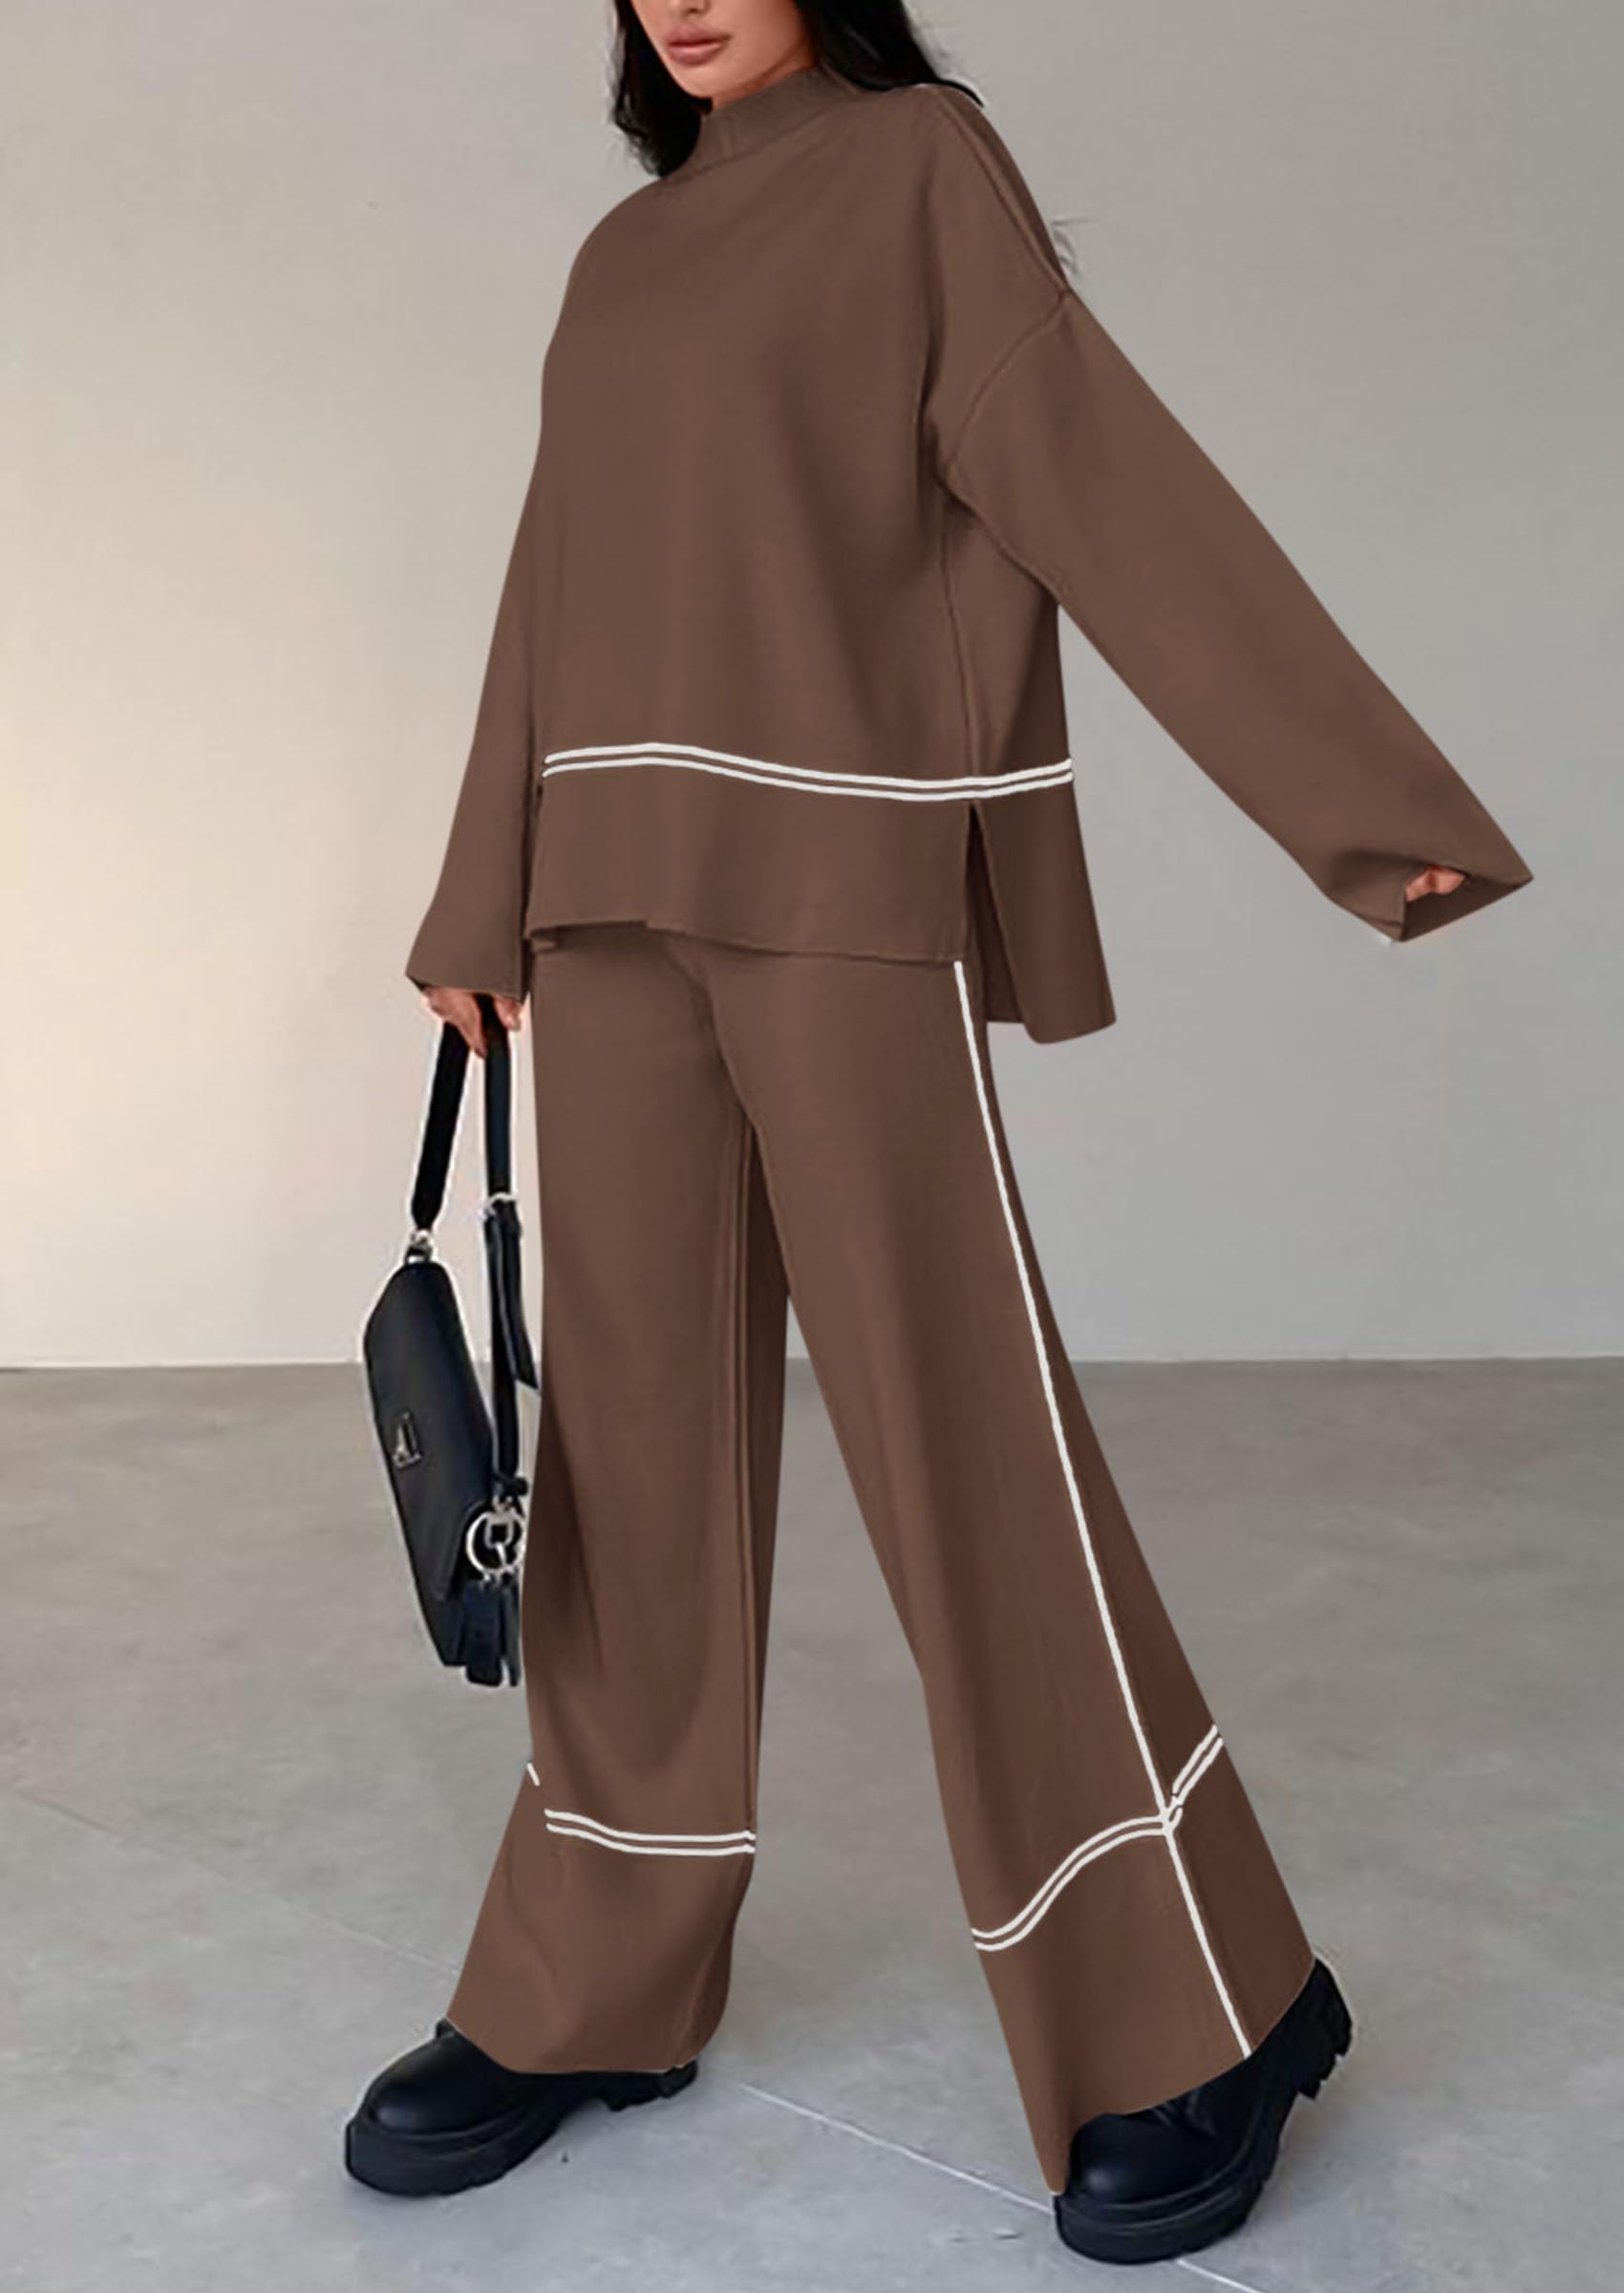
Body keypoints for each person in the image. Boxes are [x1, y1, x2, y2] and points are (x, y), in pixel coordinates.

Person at [343, 0, 1533, 2267]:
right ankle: (595, 1981)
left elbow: (1090, 463)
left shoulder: (914, 167)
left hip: (839, 887)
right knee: (626, 1471)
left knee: (962, 1447)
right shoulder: (625, 257)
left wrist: (1358, 801)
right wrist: (477, 892)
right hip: (606, 907)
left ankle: (1202, 2004)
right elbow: (551, 583)